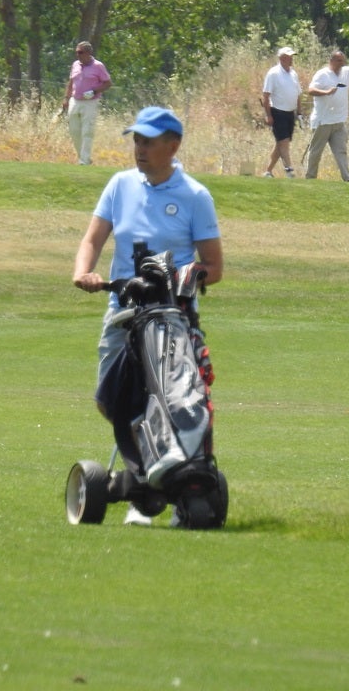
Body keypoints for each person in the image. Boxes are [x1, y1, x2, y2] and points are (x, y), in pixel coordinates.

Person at [72, 106, 223, 525]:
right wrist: (83, 271)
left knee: (175, 399)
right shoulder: (120, 185)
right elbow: (93, 238)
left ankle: (166, 492)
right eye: (136, 140)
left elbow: (214, 264)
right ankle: (148, 479)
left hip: (173, 316)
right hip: (122, 311)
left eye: (149, 141)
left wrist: (187, 276)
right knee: (113, 398)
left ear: (172, 146)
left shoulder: (194, 196)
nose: (139, 148)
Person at [304, 49, 349, 183]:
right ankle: (310, 177)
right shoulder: (322, 74)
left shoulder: (346, 72)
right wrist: (326, 92)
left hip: (338, 121)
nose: (341, 64)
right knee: (316, 151)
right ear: (331, 61)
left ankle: (348, 178)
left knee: (341, 151)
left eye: (343, 61)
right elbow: (311, 90)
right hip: (323, 121)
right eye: (338, 61)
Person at [62, 41, 112, 165]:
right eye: (76, 52)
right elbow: (71, 82)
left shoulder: (98, 66)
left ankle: (84, 160)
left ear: (88, 53)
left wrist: (94, 91)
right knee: (74, 130)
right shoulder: (75, 65)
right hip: (75, 100)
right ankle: (83, 157)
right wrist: (66, 99)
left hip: (90, 102)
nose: (78, 55)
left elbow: (107, 83)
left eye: (80, 52)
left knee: (87, 131)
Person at [261, 46, 303, 177]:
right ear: (282, 58)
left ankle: (268, 171)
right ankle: (289, 170)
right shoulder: (273, 73)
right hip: (277, 111)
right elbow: (266, 96)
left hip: (290, 113)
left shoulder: (293, 73)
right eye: (288, 57)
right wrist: (268, 115)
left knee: (281, 143)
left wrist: (299, 112)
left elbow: (298, 94)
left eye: (291, 57)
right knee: (283, 141)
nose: (291, 59)